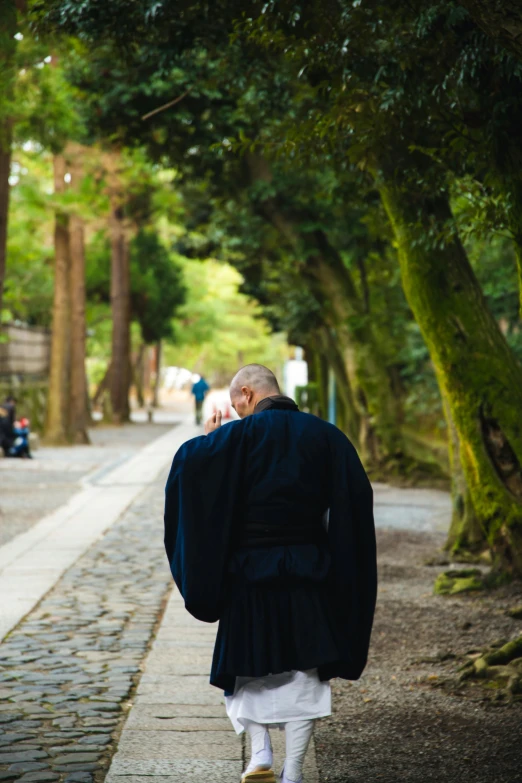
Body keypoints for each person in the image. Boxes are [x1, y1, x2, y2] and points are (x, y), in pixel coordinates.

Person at [164, 364, 376, 783]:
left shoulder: (232, 439)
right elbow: (354, 502)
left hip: (250, 572)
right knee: (305, 674)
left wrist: (208, 439)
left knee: (245, 668)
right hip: (308, 568)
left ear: (246, 393)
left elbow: (189, 471)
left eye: (235, 403)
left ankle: (259, 753)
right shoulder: (326, 436)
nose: (236, 411)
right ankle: (293, 771)